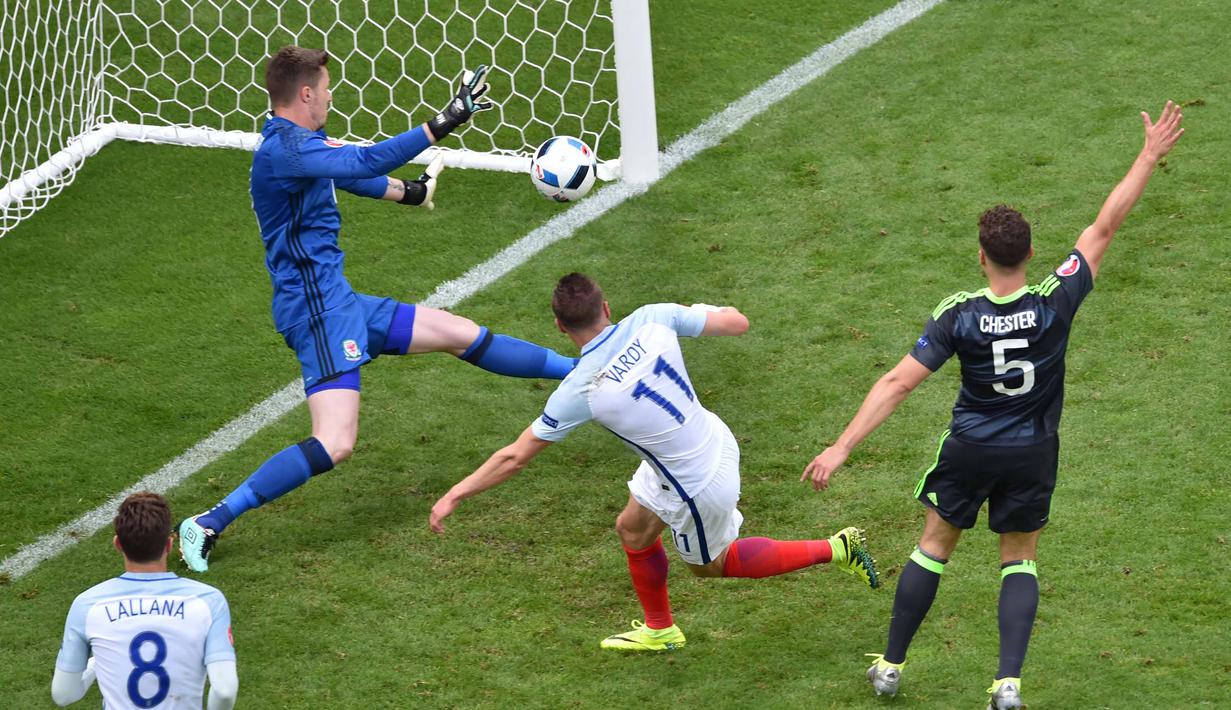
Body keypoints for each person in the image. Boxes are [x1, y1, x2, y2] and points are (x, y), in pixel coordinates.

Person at [802, 102, 1184, 708]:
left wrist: (841, 446)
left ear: (982, 257)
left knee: (934, 546)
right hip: (1032, 450)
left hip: (972, 448)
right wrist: (1147, 154)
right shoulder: (1058, 297)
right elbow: (1105, 226)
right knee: (1019, 558)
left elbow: (898, 383)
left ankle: (893, 665)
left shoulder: (959, 314)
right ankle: (1008, 685)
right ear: (1031, 255)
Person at [179, 46, 577, 572]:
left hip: (336, 299)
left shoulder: (297, 145)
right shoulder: (287, 152)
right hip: (318, 312)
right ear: (304, 93)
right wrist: (445, 121)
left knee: (458, 333)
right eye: (324, 88)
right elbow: (361, 160)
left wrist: (408, 194)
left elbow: (347, 174)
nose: (329, 95)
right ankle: (209, 520)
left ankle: (585, 371)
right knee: (336, 442)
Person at [431, 273, 879, 651]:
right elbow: (736, 323)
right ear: (607, 306)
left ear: (559, 327)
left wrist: (455, 492)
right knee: (632, 528)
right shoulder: (653, 316)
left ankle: (838, 547)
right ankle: (660, 630)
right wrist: (707, 308)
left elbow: (514, 457)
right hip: (701, 439)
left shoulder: (581, 388)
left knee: (711, 567)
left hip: (695, 481)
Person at [54, 493, 237, 709]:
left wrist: (95, 664)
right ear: (168, 545)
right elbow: (225, 691)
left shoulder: (87, 604)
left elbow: (64, 694)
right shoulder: (208, 601)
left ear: (118, 544)